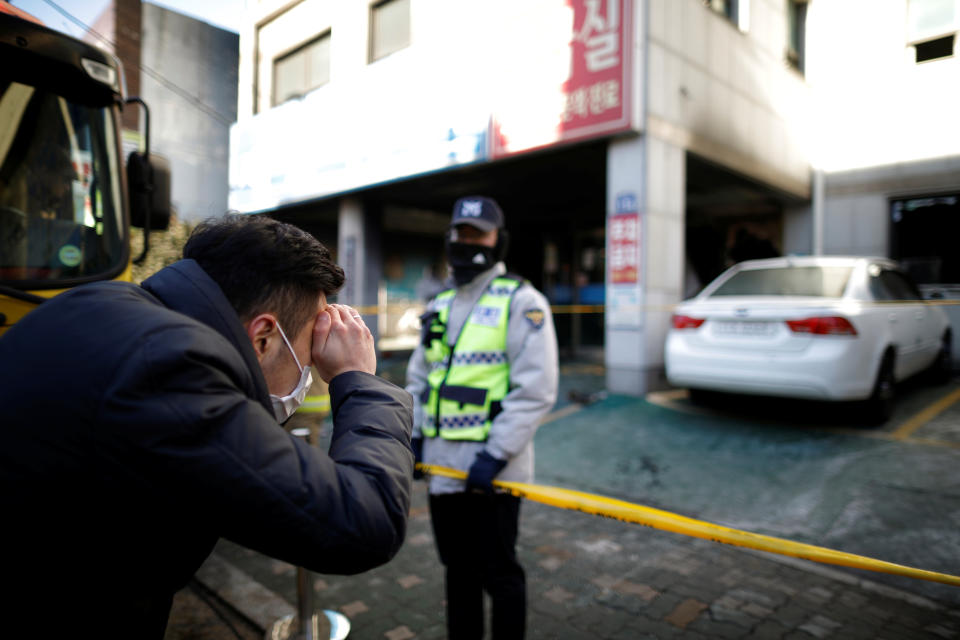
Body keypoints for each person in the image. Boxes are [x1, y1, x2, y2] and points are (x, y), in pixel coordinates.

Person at [0, 214, 414, 637]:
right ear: (264, 338)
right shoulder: (169, 371)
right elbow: (364, 521)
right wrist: (358, 379)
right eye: (311, 356)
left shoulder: (101, 305)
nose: (312, 373)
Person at [406, 196, 558, 639]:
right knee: (457, 570)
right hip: (441, 466)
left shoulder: (522, 301)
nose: (468, 241)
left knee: (499, 573)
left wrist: (495, 455)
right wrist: (411, 437)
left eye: (479, 232)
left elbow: (536, 389)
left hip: (493, 470)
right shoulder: (440, 304)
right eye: (461, 232)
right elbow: (419, 379)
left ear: (499, 240)